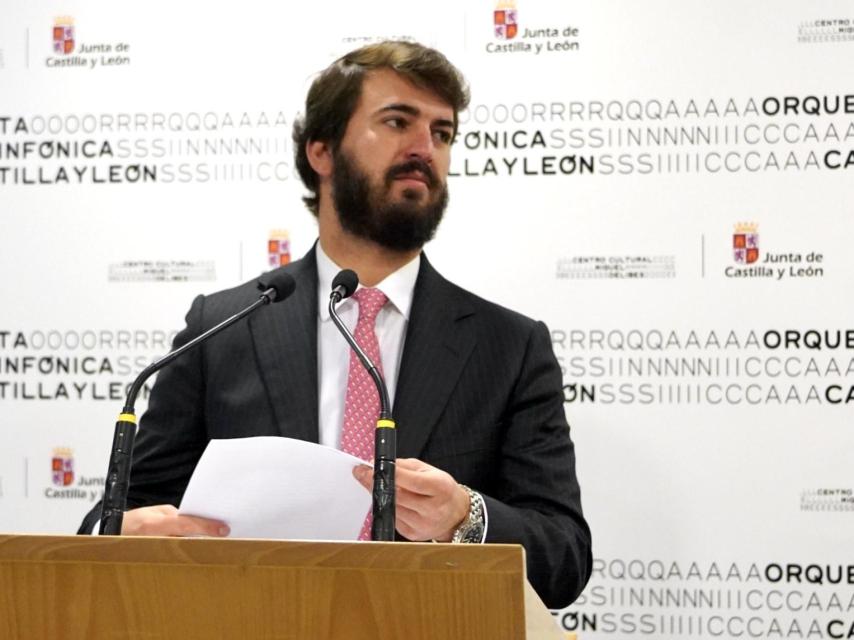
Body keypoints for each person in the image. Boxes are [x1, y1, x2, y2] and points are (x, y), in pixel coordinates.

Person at [79, 40, 592, 608]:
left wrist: (463, 518)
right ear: (321, 151)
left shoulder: (508, 346)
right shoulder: (224, 327)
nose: (425, 148)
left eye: (442, 133)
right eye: (398, 121)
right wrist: (122, 533)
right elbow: (117, 515)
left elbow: (564, 559)